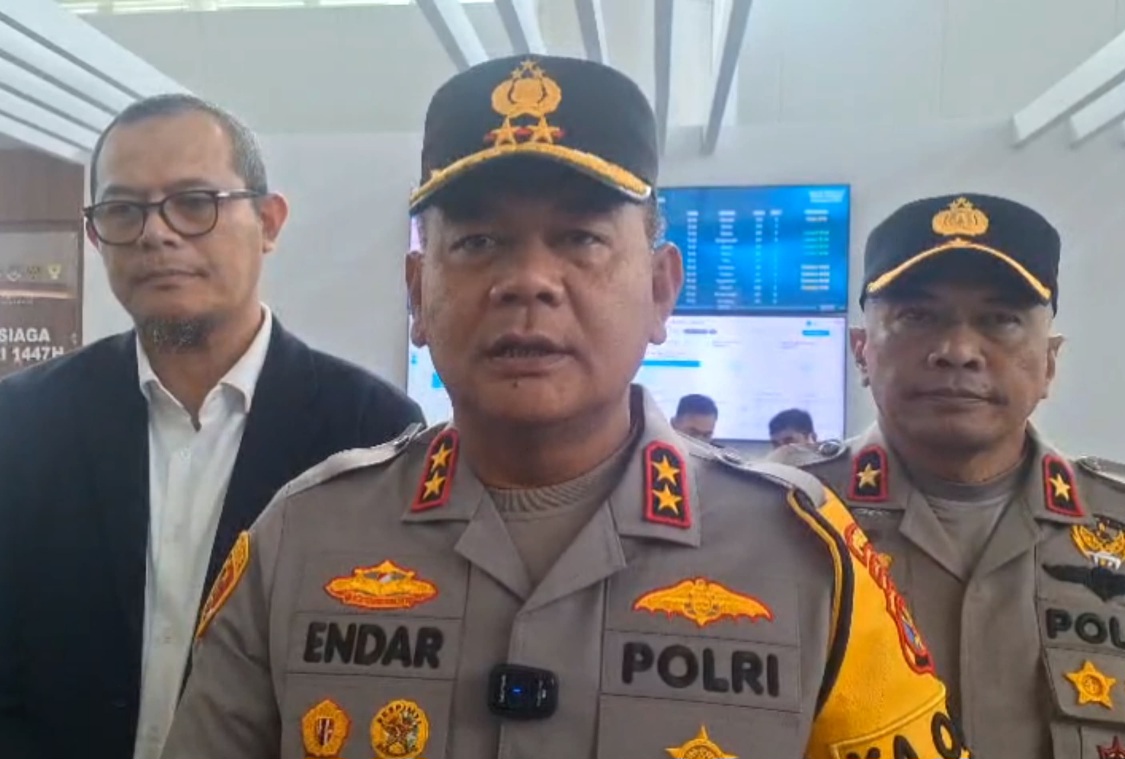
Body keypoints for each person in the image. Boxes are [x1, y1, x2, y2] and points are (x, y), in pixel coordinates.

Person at [161, 56, 968, 759]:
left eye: (581, 238)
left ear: (661, 289)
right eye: (478, 242)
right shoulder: (303, 538)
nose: (528, 281)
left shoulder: (802, 556)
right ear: (417, 294)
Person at [0, 94, 424, 759]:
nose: (156, 234)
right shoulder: (23, 422)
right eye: (123, 210)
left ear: (269, 222)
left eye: (195, 202)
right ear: (96, 237)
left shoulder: (373, 433)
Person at [771, 192, 1125, 758]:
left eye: (1001, 320)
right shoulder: (778, 517)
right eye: (917, 317)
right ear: (861, 351)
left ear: (1049, 362)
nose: (958, 350)